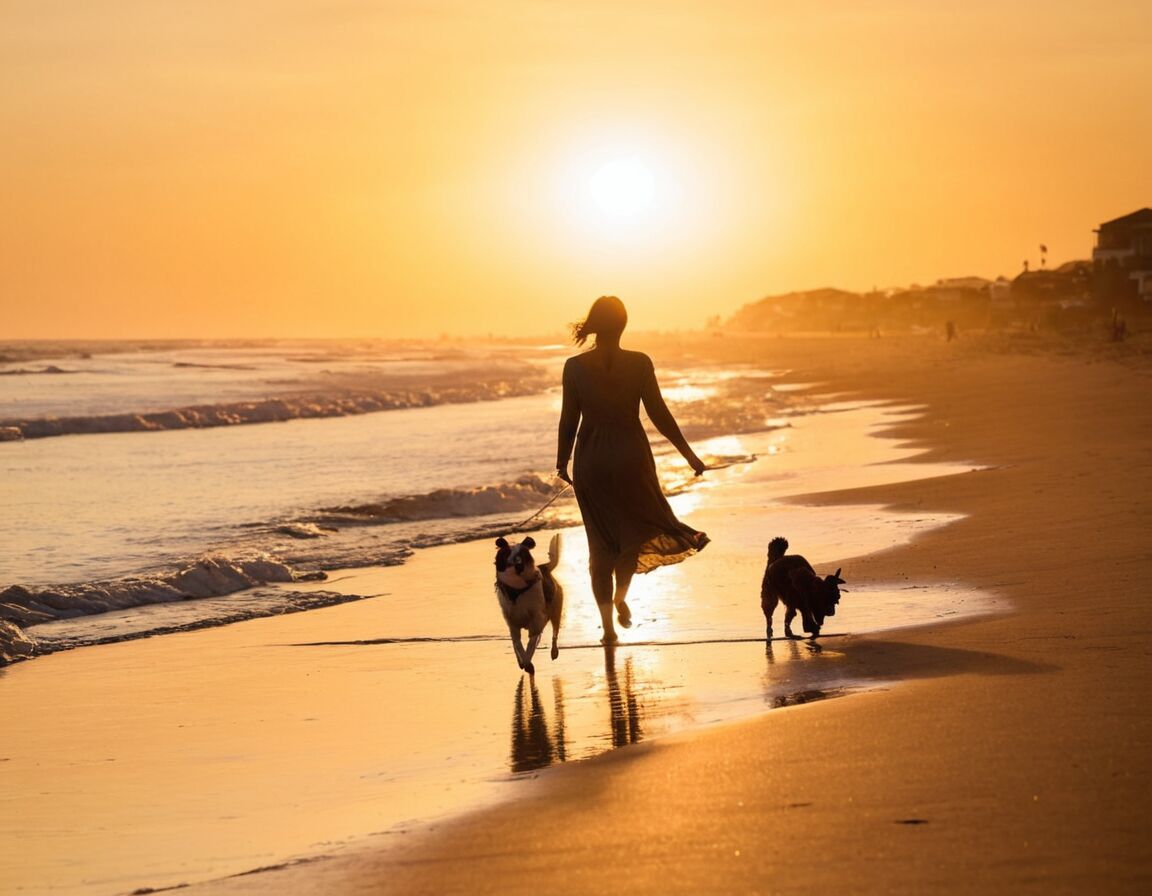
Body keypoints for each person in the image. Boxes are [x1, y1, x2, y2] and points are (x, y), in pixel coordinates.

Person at [555, 295, 709, 644]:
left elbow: (568, 421)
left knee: (599, 546)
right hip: (632, 456)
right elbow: (659, 414)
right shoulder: (639, 363)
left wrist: (561, 462)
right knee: (632, 537)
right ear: (623, 324)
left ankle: (608, 629)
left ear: (594, 324)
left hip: (592, 460)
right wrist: (689, 455)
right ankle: (621, 594)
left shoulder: (574, 368)